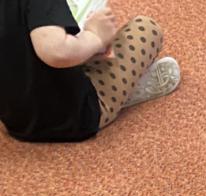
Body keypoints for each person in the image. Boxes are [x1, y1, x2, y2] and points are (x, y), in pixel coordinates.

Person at [1, 1, 179, 143]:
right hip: (76, 115)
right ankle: (126, 92)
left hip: (13, 120)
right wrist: (95, 37)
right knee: (146, 28)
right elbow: (56, 52)